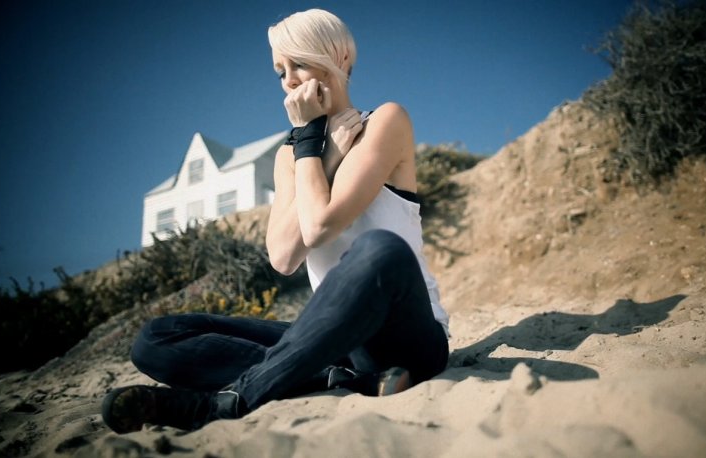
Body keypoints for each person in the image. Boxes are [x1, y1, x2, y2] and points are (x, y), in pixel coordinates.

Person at [101, 8, 450, 434]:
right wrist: (320, 151)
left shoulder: (385, 121)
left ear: (341, 56)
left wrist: (313, 144)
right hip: (342, 346)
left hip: (406, 341)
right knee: (157, 338)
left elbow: (319, 227)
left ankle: (225, 403)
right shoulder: (293, 155)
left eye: (298, 62)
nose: (288, 80)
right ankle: (338, 380)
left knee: (380, 250)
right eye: (280, 71)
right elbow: (284, 257)